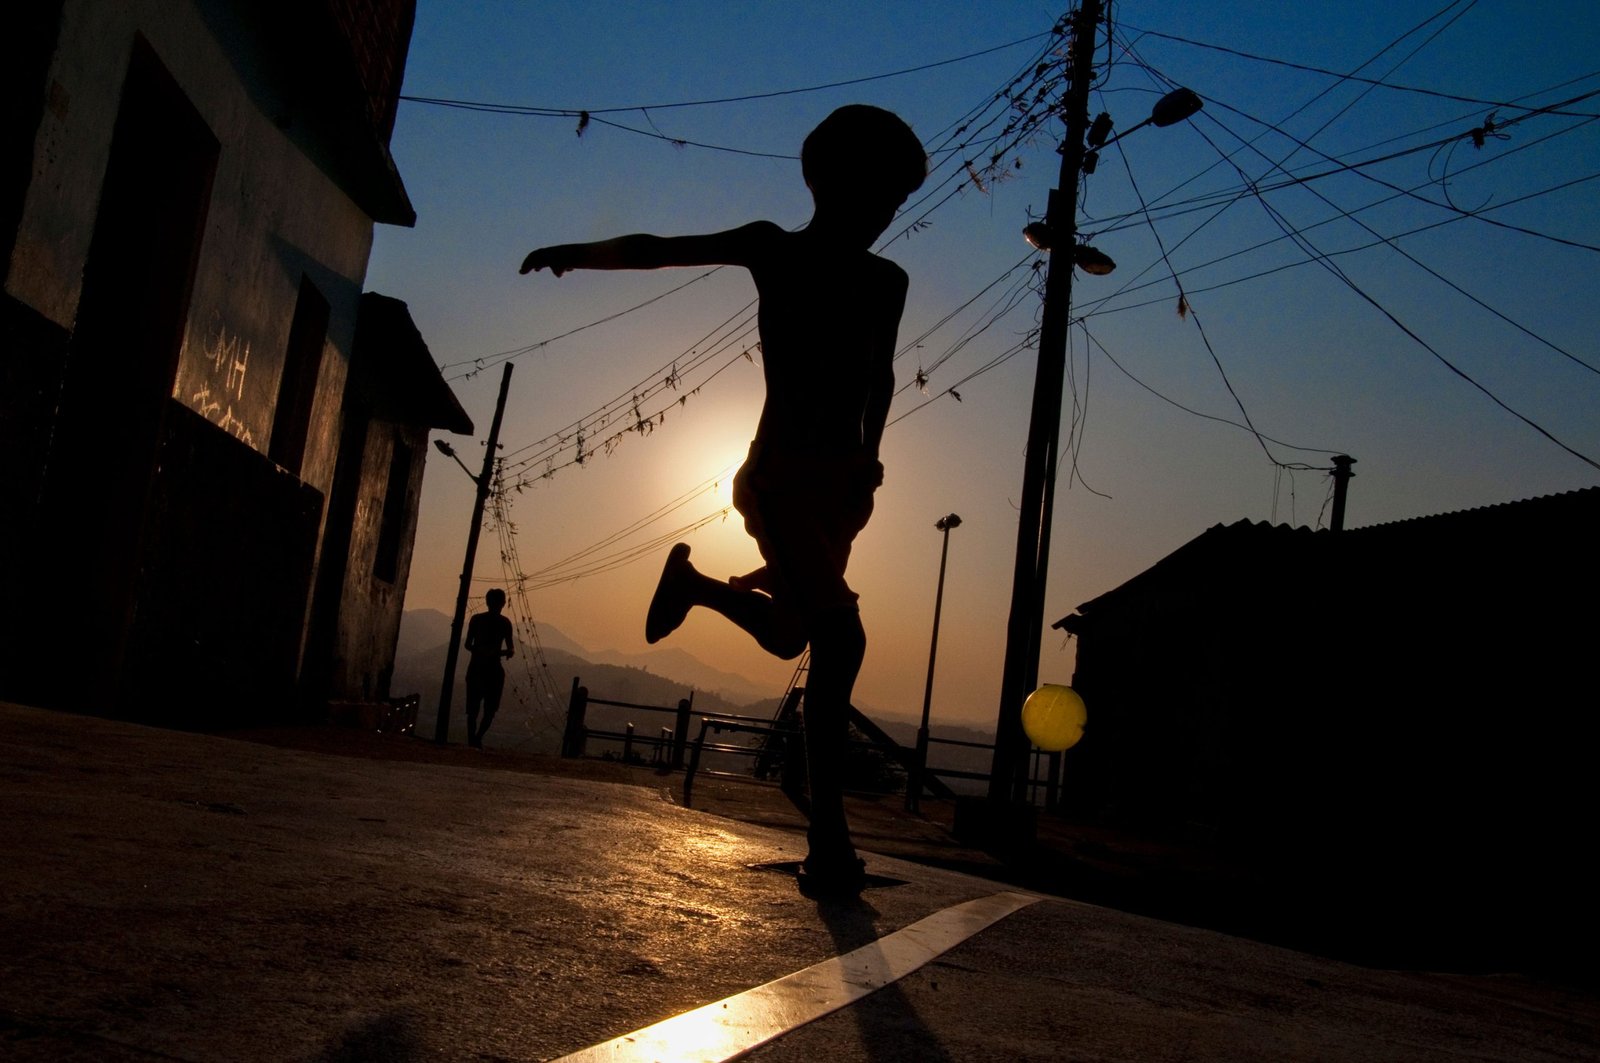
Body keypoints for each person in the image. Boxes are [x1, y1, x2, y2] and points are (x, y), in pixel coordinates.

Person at [521, 104, 926, 895]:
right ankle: (830, 845)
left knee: (788, 633)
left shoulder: (889, 282)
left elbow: (878, 378)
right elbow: (661, 249)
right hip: (777, 478)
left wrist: (870, 464)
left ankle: (696, 585)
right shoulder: (775, 249)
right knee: (841, 640)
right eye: (878, 194)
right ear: (827, 181)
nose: (884, 214)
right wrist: (576, 254)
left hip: (839, 491)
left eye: (895, 202)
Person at [463, 588, 515, 748]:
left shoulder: (477, 620)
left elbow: (467, 644)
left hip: (477, 667)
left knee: (473, 708)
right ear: (503, 603)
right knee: (489, 710)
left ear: (487, 602)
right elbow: (511, 649)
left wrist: (480, 651)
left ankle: (473, 739)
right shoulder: (505, 623)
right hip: (493, 670)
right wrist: (500, 652)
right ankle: (477, 738)